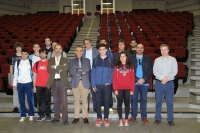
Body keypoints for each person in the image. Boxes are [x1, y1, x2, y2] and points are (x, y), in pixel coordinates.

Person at [153, 44, 178, 127]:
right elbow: (155, 72)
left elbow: (175, 71)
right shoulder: (157, 60)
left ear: (168, 50)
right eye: (162, 50)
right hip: (159, 83)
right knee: (158, 102)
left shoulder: (173, 60)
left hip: (169, 83)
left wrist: (167, 78)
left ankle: (170, 119)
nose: (163, 51)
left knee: (170, 102)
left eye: (165, 49)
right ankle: (158, 118)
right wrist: (162, 78)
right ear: (160, 51)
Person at [129, 43, 153, 124]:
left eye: (141, 48)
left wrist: (144, 79)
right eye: (138, 47)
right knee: (134, 100)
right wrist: (137, 79)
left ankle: (144, 117)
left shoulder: (147, 58)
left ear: (143, 49)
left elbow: (150, 70)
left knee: (143, 100)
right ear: (135, 49)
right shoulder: (131, 58)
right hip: (134, 83)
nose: (139, 49)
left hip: (144, 83)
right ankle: (133, 116)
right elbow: (129, 70)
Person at [91, 44, 114, 126]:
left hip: (107, 85)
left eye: (103, 49)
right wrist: (93, 84)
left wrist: (109, 81)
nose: (102, 51)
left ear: (106, 50)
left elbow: (113, 72)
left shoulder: (110, 60)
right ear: (98, 51)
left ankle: (106, 117)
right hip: (97, 84)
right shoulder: (95, 60)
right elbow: (93, 73)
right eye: (100, 49)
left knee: (107, 101)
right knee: (98, 102)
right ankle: (99, 117)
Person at [47, 44, 69, 126]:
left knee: (63, 102)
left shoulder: (65, 59)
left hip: (62, 82)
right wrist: (59, 68)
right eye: (56, 49)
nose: (58, 50)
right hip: (53, 82)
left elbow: (65, 68)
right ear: (54, 50)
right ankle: (56, 117)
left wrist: (55, 67)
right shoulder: (51, 59)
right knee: (56, 101)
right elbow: (49, 69)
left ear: (62, 50)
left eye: (60, 49)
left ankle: (65, 119)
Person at [69, 46, 91, 124]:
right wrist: (81, 71)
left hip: (84, 82)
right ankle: (76, 117)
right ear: (75, 52)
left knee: (85, 101)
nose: (79, 52)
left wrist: (77, 70)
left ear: (83, 52)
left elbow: (87, 69)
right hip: (75, 83)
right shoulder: (72, 61)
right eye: (77, 51)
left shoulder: (87, 60)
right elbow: (71, 71)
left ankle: (85, 116)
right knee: (76, 101)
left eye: (80, 51)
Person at [113, 51, 135, 127]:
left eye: (124, 56)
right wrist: (115, 88)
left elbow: (132, 79)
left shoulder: (131, 66)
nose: (122, 58)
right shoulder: (116, 66)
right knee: (119, 104)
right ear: (119, 58)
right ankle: (120, 119)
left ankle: (126, 119)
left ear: (126, 57)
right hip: (119, 88)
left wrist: (132, 89)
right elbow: (114, 79)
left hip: (128, 88)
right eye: (121, 56)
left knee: (127, 104)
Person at [13, 48, 34, 122]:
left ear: (28, 55)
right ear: (21, 54)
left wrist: (34, 85)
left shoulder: (31, 62)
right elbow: (15, 73)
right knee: (21, 100)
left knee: (30, 100)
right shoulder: (17, 62)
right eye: (22, 54)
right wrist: (14, 84)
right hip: (20, 83)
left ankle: (31, 115)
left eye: (25, 54)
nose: (24, 55)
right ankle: (23, 115)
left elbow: (34, 74)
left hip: (28, 83)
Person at [32, 49, 51, 122]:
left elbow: (51, 75)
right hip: (38, 85)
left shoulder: (49, 63)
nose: (42, 55)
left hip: (47, 85)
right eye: (41, 53)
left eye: (44, 53)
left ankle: (48, 115)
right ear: (39, 54)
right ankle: (41, 115)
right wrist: (34, 86)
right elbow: (34, 75)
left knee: (47, 100)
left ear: (46, 54)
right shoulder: (36, 64)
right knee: (40, 101)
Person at [83, 38, 99, 112]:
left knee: (94, 89)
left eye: (88, 43)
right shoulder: (83, 52)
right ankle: (86, 107)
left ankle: (95, 107)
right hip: (86, 72)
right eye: (85, 43)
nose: (87, 44)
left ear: (91, 43)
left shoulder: (96, 51)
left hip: (94, 71)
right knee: (86, 90)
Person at [98, 37, 114, 113]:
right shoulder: (98, 52)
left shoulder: (109, 52)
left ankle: (110, 106)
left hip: (108, 74)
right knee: (101, 92)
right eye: (102, 42)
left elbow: (111, 65)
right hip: (100, 75)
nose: (103, 43)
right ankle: (102, 105)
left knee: (108, 92)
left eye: (104, 42)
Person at [9, 42, 24, 113]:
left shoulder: (25, 56)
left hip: (23, 76)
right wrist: (12, 76)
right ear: (15, 48)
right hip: (15, 76)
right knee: (15, 92)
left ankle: (23, 106)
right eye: (17, 47)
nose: (18, 49)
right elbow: (11, 67)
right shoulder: (12, 56)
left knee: (24, 92)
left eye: (19, 47)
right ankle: (15, 106)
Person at [29, 43, 41, 110]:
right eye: (35, 47)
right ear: (33, 48)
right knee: (34, 92)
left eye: (37, 47)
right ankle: (34, 105)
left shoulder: (42, 56)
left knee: (40, 92)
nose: (36, 48)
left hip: (41, 77)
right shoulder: (30, 57)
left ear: (39, 48)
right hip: (33, 76)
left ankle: (41, 106)